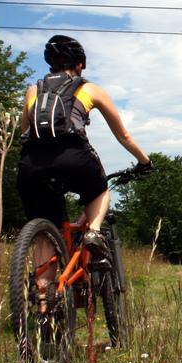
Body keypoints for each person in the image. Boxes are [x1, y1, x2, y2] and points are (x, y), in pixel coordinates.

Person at [17, 35, 151, 274]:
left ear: (51, 64)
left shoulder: (32, 91)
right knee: (99, 191)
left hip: (31, 164)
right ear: (79, 64)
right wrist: (144, 161)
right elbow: (124, 136)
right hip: (73, 156)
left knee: (45, 237)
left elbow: (24, 132)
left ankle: (44, 301)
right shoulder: (89, 89)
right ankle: (94, 232)